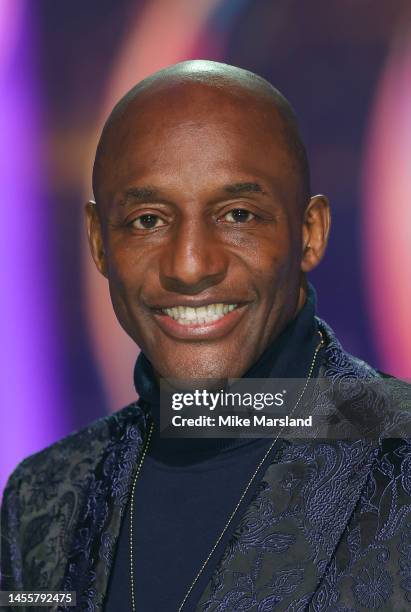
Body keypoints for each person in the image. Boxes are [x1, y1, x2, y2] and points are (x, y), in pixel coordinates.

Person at [1, 60, 410, 612]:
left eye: (238, 214)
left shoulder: (398, 451)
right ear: (99, 243)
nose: (190, 265)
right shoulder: (43, 497)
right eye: (148, 220)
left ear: (309, 234)